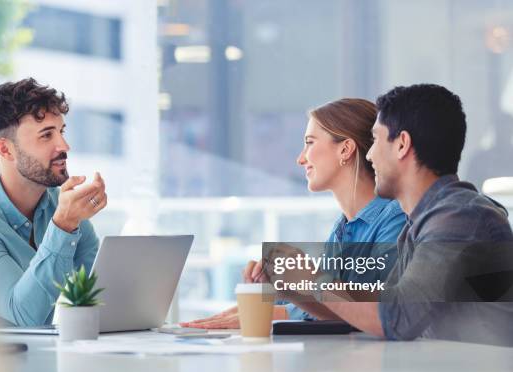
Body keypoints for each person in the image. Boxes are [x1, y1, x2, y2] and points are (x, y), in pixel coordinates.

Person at [268, 84, 513, 346]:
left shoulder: (460, 217)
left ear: (402, 145)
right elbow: (378, 305)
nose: (370, 155)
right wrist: (294, 287)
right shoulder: (421, 222)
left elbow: (398, 318)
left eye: (375, 140)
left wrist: (315, 281)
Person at [182, 98, 406, 329]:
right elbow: (334, 304)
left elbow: (369, 308)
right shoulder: (343, 229)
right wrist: (279, 290)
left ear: (345, 149)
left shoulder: (396, 219)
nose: (301, 159)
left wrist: (279, 308)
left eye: (310, 143)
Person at [0, 78, 107, 327]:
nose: (64, 146)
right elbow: (24, 314)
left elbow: (99, 290)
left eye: (61, 131)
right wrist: (64, 225)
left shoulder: (60, 206)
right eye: (46, 135)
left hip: (42, 358)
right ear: (5, 150)